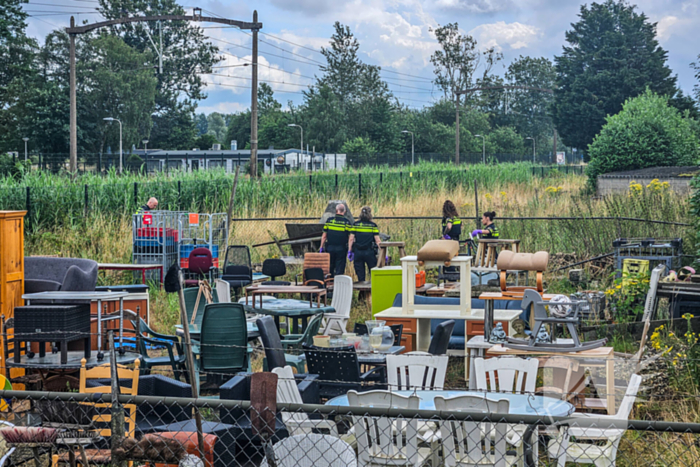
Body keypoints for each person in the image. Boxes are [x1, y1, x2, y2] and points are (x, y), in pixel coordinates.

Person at [348, 206, 381, 283]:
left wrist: (349, 251)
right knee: (373, 272)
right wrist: (382, 251)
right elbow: (377, 240)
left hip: (358, 252)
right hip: (369, 252)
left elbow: (351, 239)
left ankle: (362, 292)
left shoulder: (356, 224)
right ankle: (373, 290)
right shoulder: (373, 225)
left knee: (360, 275)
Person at [319, 204, 352, 277]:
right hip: (341, 249)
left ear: (336, 211)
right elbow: (350, 238)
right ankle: (338, 285)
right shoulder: (346, 222)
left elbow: (324, 236)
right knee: (339, 270)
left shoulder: (329, 221)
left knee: (329, 268)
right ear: (344, 211)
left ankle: (329, 284)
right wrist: (350, 250)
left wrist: (321, 247)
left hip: (330, 248)